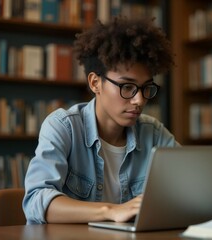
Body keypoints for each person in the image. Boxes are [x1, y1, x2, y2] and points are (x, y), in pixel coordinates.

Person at [22, 16, 179, 224]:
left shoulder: (154, 133)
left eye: (145, 88)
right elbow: (36, 200)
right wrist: (110, 211)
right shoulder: (63, 127)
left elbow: (188, 187)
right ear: (95, 83)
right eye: (127, 87)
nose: (139, 100)